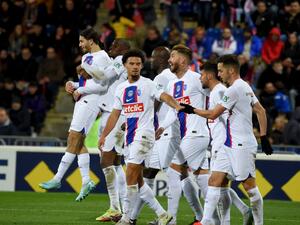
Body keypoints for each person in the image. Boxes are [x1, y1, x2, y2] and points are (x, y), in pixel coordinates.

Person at [180, 54, 273, 225]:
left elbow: (214, 114)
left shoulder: (233, 90)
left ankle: (258, 223)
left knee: (249, 187)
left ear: (231, 70)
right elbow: (260, 111)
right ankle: (208, 221)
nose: (219, 74)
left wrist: (192, 110)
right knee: (214, 181)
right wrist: (264, 135)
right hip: (228, 143)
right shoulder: (244, 86)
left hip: (241, 144)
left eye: (221, 71)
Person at [99, 49, 183, 225]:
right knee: (137, 179)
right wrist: (104, 136)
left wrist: (176, 105)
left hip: (144, 134)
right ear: (125, 66)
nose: (135, 67)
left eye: (138, 64)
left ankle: (127, 218)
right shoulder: (121, 88)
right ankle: (162, 214)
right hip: (130, 137)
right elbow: (114, 114)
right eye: (132, 64)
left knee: (130, 171)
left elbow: (164, 96)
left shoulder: (149, 84)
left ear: (142, 66)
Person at [39, 28, 111, 202]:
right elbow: (85, 81)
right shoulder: (88, 58)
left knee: (74, 137)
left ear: (91, 40)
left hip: (91, 102)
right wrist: (72, 84)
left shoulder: (103, 57)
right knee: (78, 141)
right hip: (82, 101)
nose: (80, 45)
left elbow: (103, 85)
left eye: (81, 41)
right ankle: (86, 180)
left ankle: (57, 178)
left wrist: (80, 89)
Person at [156, 45, 212, 225]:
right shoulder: (172, 83)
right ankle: (209, 218)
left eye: (172, 56)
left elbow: (216, 95)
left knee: (173, 172)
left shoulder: (196, 79)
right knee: (203, 177)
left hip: (196, 133)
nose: (169, 60)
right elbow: (174, 110)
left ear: (183, 60)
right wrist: (163, 126)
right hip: (187, 136)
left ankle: (170, 220)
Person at [198, 61, 253, 225]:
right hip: (220, 141)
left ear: (208, 75)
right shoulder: (216, 91)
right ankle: (242, 212)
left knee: (214, 182)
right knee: (221, 185)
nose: (200, 78)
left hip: (223, 142)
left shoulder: (220, 91)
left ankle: (207, 221)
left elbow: (224, 113)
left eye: (201, 75)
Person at [95, 39, 131, 222]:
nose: (111, 47)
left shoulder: (119, 60)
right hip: (114, 115)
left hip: (115, 117)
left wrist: (85, 67)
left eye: (116, 45)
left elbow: (102, 76)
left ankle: (115, 208)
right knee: (116, 163)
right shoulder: (120, 64)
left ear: (124, 50)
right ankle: (123, 209)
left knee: (107, 162)